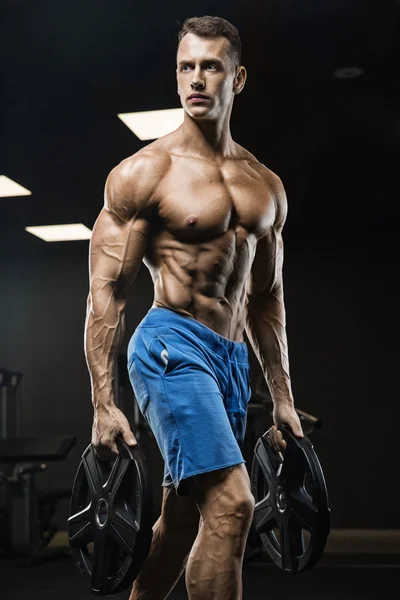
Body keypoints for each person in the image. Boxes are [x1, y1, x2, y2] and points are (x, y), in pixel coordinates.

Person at [84, 14, 304, 600]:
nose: (197, 79)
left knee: (183, 519)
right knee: (233, 505)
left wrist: (282, 396)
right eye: (187, 66)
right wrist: (104, 402)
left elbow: (265, 297)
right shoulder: (144, 173)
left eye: (211, 66)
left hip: (229, 360)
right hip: (168, 344)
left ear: (239, 77)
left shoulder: (265, 185)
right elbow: (106, 292)